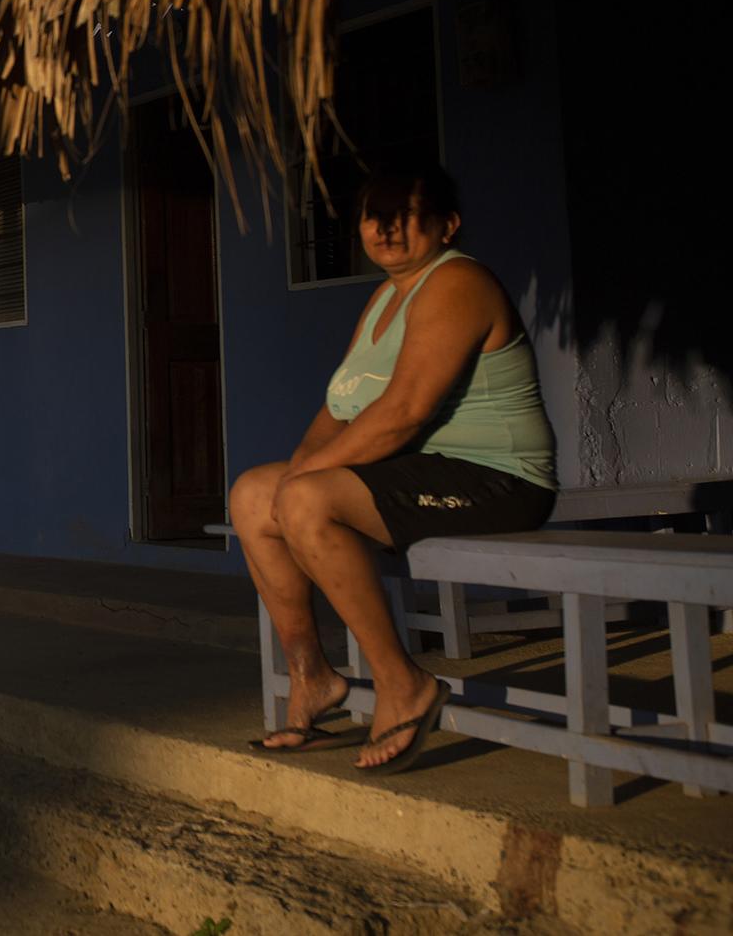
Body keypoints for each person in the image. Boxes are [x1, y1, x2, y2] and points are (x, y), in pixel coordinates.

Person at [229, 161, 556, 772]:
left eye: (404, 216)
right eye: (373, 217)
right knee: (252, 493)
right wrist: (297, 472)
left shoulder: (459, 282)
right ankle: (313, 677)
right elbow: (339, 411)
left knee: (302, 499)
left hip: (496, 480)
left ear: (447, 224)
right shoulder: (384, 298)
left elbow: (403, 413)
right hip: (423, 472)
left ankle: (403, 682)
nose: (385, 229)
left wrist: (303, 486)